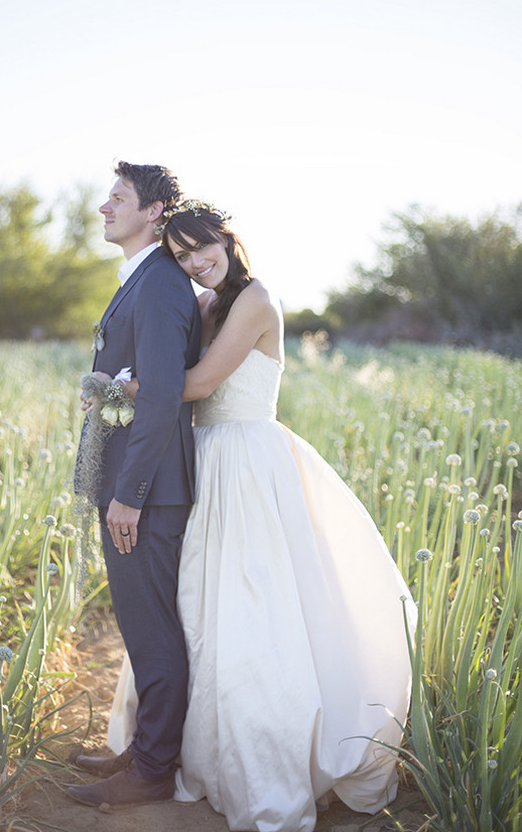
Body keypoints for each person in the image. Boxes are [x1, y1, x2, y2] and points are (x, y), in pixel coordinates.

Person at [103, 200, 416, 832]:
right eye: (183, 255)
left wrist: (120, 385)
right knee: (196, 604)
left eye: (203, 248)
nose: (196, 262)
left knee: (254, 604)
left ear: (227, 238)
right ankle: (175, 750)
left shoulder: (254, 300)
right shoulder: (200, 303)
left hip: (247, 460)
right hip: (205, 460)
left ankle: (263, 762)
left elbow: (194, 385)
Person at [66, 163, 201, 809]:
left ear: (154, 211)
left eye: (117, 198)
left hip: (146, 489)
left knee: (152, 631)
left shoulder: (158, 286)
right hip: (132, 482)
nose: (102, 207)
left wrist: (130, 493)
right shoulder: (141, 281)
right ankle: (140, 750)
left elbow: (162, 399)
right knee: (140, 626)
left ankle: (151, 773)